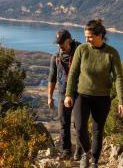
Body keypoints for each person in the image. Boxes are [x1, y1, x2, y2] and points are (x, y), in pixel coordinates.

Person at [64, 19, 123, 168]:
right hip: (82, 95)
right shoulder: (82, 49)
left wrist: (122, 101)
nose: (87, 39)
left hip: (102, 98)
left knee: (97, 130)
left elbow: (118, 78)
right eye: (86, 36)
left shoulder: (112, 53)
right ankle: (86, 153)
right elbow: (73, 73)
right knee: (79, 128)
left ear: (100, 35)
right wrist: (68, 94)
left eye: (90, 37)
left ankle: (94, 161)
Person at [47, 29, 83, 160]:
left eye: (61, 43)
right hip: (63, 93)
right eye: (58, 43)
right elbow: (52, 78)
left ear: (69, 41)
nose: (59, 45)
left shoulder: (81, 51)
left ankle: (80, 150)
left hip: (80, 92)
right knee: (63, 122)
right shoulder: (56, 57)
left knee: (79, 124)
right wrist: (49, 97)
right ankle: (66, 151)